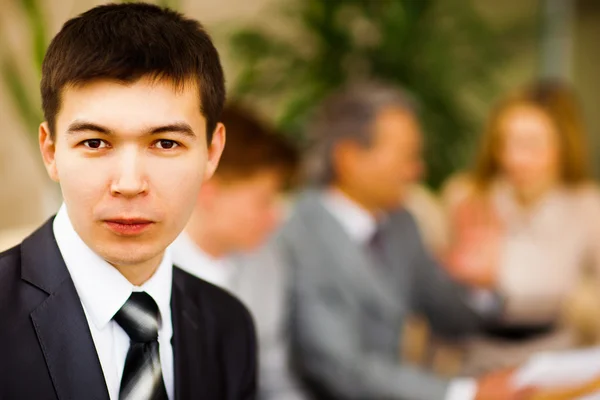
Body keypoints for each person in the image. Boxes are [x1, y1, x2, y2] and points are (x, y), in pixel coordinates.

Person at [0, 3, 256, 399]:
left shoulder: (228, 325)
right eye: (95, 142)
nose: (130, 183)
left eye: (166, 143)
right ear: (50, 151)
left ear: (212, 151)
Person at [276, 82, 526, 400]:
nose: (417, 170)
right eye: (407, 156)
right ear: (350, 157)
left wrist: (481, 286)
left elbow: (446, 314)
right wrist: (463, 393)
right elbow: (340, 368)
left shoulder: (402, 223)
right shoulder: (298, 235)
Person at [442, 80, 600, 374]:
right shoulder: (467, 197)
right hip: (479, 358)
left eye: (532, 144)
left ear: (563, 146)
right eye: (506, 142)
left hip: (555, 360)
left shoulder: (587, 206)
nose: (515, 159)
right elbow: (438, 293)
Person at [170, 103, 306, 399]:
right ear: (208, 190)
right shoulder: (141, 268)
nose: (275, 216)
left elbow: (272, 377)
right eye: (263, 201)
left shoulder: (267, 262)